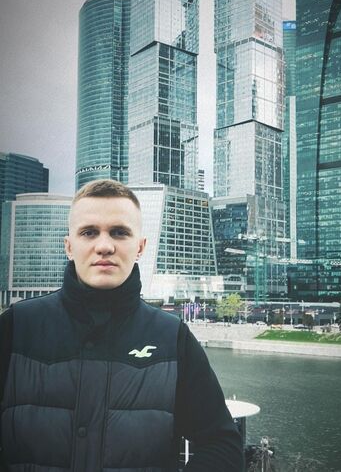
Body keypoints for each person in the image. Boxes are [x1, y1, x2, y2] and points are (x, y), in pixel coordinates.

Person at [0, 179, 244, 471]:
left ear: (140, 247)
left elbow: (222, 445)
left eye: (119, 232)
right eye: (89, 232)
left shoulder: (172, 337)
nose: (104, 246)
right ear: (69, 246)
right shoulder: (16, 327)